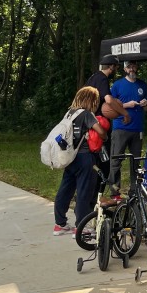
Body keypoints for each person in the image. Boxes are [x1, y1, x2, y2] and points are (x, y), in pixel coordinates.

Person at [53, 86, 109, 235]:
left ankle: (60, 224)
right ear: (91, 100)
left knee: (65, 189)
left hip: (70, 156)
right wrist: (104, 136)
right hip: (85, 157)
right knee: (84, 192)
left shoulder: (69, 113)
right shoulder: (87, 114)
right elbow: (100, 131)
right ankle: (81, 226)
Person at [109, 60, 147, 190]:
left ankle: (135, 191)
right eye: (129, 67)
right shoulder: (117, 85)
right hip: (120, 128)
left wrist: (145, 104)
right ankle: (115, 191)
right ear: (125, 69)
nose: (131, 69)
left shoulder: (142, 85)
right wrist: (127, 105)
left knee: (136, 162)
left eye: (133, 66)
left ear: (137, 67)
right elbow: (109, 106)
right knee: (116, 161)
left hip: (137, 129)